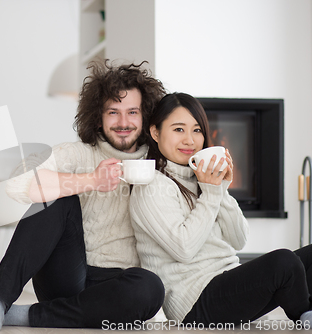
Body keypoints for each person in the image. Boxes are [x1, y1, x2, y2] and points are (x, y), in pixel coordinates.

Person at [0, 60, 167, 331]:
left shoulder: (158, 161)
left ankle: (28, 316)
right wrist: (90, 181)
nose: (123, 122)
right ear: (98, 116)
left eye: (132, 112)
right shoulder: (78, 154)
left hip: (115, 288)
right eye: (113, 112)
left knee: (150, 288)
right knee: (57, 196)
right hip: (67, 275)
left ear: (145, 116)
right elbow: (15, 185)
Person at [130, 92, 312, 327]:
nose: (190, 140)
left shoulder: (201, 178)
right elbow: (184, 249)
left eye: (197, 130)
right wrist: (212, 191)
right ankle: (305, 314)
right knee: (284, 263)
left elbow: (239, 239)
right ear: (156, 132)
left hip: (227, 283)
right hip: (195, 303)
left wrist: (222, 188)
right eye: (178, 129)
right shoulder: (152, 186)